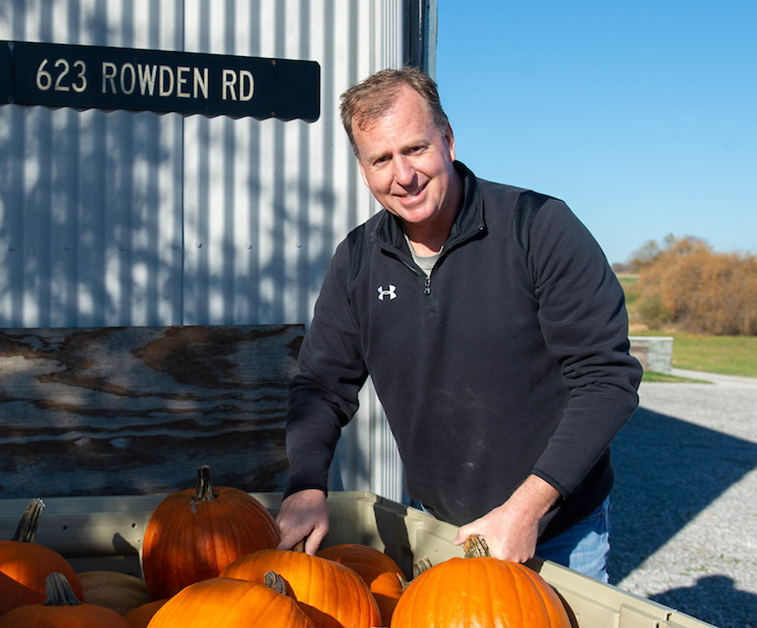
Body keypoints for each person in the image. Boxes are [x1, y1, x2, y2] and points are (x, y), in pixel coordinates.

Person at [275, 66, 642, 581]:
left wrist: (527, 508)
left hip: (557, 526)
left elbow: (606, 380)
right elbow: (321, 386)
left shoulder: (538, 229)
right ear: (364, 170)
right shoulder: (358, 260)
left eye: (415, 149)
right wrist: (307, 483)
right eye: (381, 159)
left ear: (447, 139)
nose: (402, 175)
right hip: (440, 525)